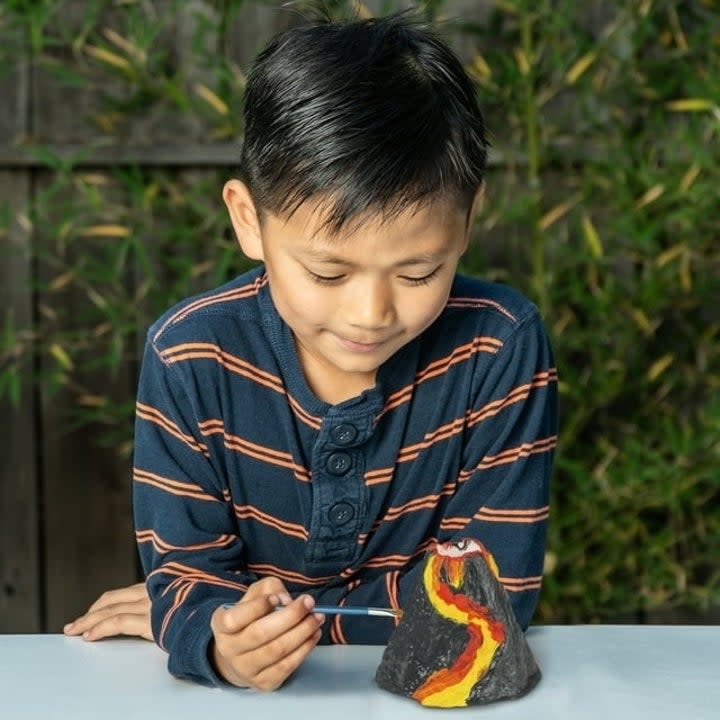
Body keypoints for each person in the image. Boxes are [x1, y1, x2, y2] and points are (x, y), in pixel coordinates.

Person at [65, 11, 558, 690]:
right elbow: (186, 576)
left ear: (469, 220)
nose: (371, 313)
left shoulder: (500, 345)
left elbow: (485, 604)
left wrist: (192, 619)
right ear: (249, 220)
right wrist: (212, 636)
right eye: (328, 273)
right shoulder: (189, 355)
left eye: (418, 273)